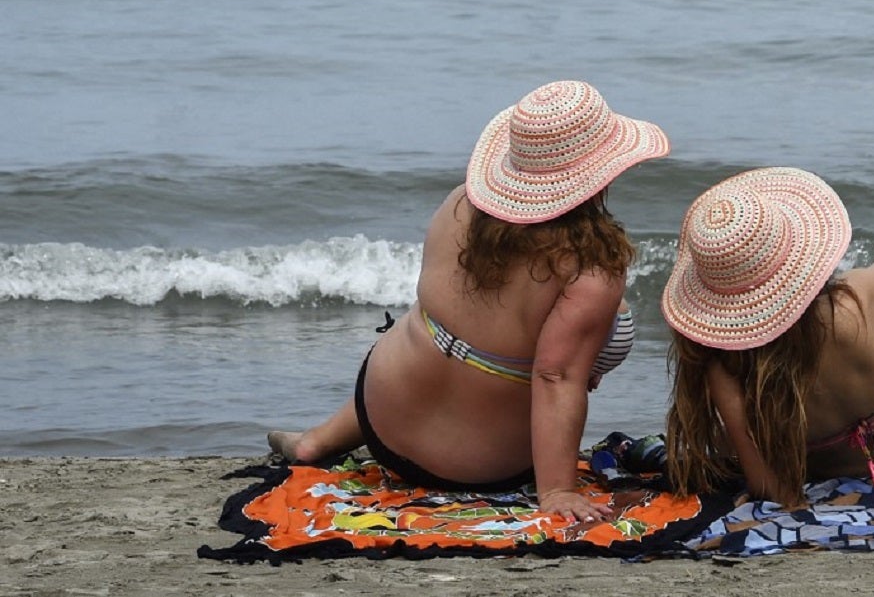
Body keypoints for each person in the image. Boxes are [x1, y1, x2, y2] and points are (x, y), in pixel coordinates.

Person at [268, 80, 669, 522]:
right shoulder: (592, 269)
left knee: (433, 331)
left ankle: (317, 442)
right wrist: (556, 490)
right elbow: (555, 377)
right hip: (479, 465)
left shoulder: (461, 203)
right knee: (583, 340)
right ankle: (322, 440)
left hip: (382, 416)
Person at [662, 103, 874, 509]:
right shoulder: (858, 300)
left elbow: (765, 484)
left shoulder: (721, 360)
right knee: (870, 323)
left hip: (815, 466)